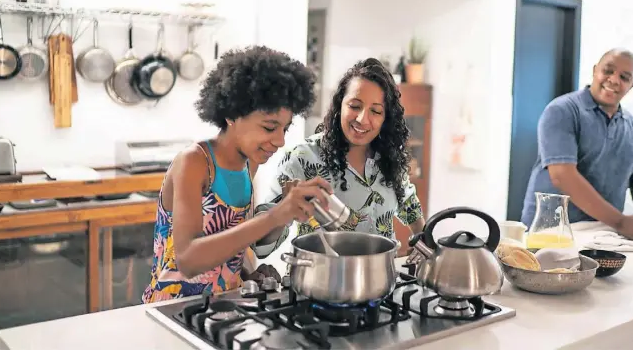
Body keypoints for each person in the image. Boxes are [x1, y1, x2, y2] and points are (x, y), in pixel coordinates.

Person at [142, 46, 332, 303]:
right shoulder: (194, 163)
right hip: (172, 310)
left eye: (284, 129)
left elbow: (235, 243)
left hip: (223, 307)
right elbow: (188, 260)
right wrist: (275, 215)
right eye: (269, 127)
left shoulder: (248, 165)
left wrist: (250, 271)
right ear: (232, 114)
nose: (279, 140)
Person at [264, 58, 426, 243]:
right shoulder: (301, 159)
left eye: (376, 111)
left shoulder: (389, 157)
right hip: (320, 271)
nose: (363, 119)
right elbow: (260, 245)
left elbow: (409, 205)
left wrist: (424, 244)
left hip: (380, 271)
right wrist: (283, 212)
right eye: (355, 106)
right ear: (340, 105)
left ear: (385, 118)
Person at [520, 48, 633, 245]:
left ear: (631, 86)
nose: (614, 80)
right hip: (550, 233)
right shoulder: (563, 111)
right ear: (594, 70)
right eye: (608, 71)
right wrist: (621, 222)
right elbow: (562, 175)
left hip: (603, 236)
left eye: (624, 77)